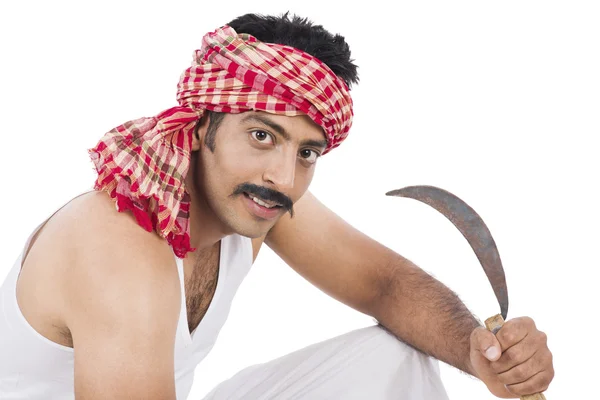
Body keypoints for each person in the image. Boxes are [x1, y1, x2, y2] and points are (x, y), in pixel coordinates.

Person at [0, 12, 553, 400]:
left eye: (307, 151)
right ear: (198, 125)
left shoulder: (250, 197)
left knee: (397, 355)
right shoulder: (119, 248)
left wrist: (482, 356)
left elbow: (383, 285)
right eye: (262, 136)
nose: (284, 177)